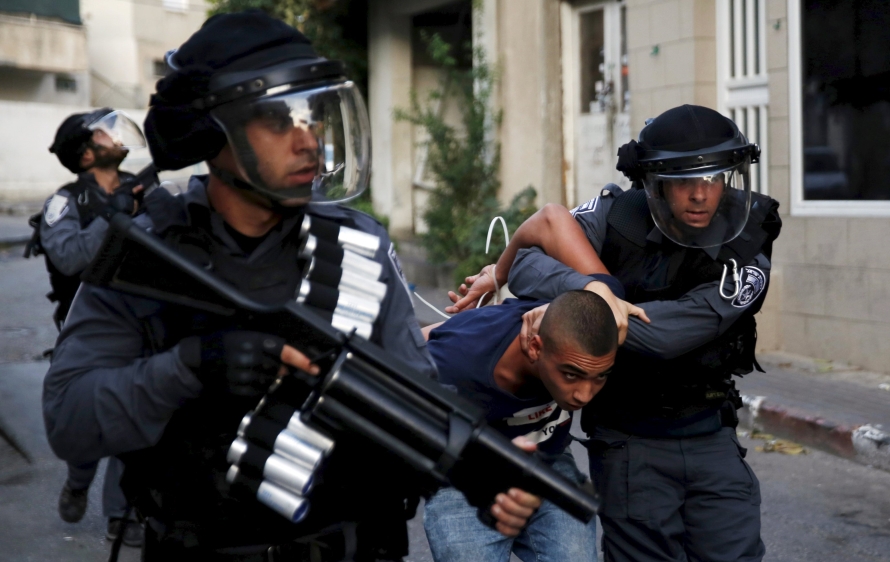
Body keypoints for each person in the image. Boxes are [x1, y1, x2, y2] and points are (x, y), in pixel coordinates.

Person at [42, 10, 539, 561]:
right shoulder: (148, 255)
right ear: (213, 131)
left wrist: (473, 470)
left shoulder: (358, 248)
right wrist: (189, 368)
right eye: (279, 121)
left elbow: (412, 397)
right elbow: (69, 421)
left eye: (314, 117)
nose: (310, 141)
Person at [446, 105, 782, 562]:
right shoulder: (617, 214)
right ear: (654, 183)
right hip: (627, 439)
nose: (701, 194)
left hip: (709, 434)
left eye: (713, 178)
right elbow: (526, 263)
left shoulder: (748, 242)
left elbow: (663, 337)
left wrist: (571, 311)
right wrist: (594, 291)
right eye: (682, 180)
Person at [421, 291, 618, 562]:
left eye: (600, 376)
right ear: (535, 347)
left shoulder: (567, 323)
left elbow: (599, 283)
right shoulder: (456, 364)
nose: (584, 395)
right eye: (571, 374)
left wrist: (498, 272)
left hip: (546, 458)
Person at [29, 107, 148, 546]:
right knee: (86, 417)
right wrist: (112, 218)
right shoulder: (62, 203)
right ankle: (79, 480)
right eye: (103, 134)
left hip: (142, 319)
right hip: (88, 327)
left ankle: (121, 511)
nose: (114, 137)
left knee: (133, 412)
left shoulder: (142, 187)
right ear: (85, 154)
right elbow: (68, 257)